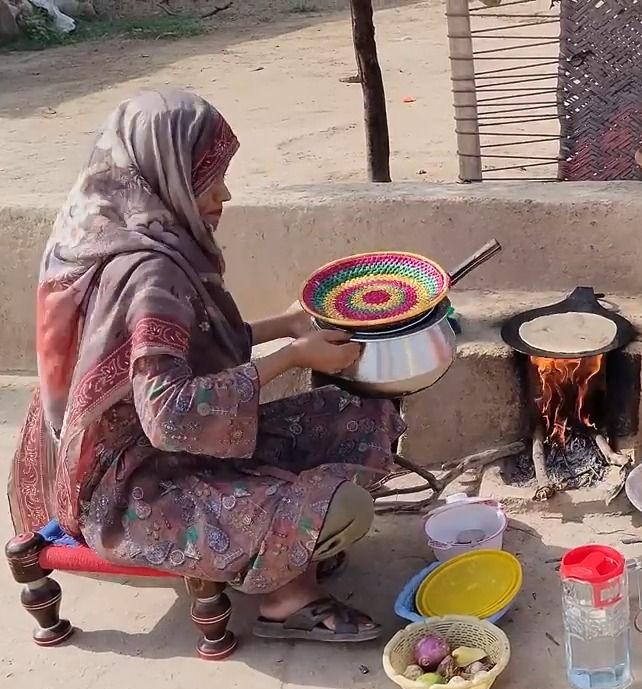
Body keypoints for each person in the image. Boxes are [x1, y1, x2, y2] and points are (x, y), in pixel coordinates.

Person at [6, 89, 405, 641]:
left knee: (360, 417)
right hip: (130, 489)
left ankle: (287, 551)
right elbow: (169, 414)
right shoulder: (147, 274)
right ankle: (285, 599)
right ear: (163, 173)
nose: (225, 194)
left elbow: (179, 355)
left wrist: (283, 326)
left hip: (153, 454)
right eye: (207, 178)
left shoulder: (106, 231)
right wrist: (292, 356)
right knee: (344, 506)